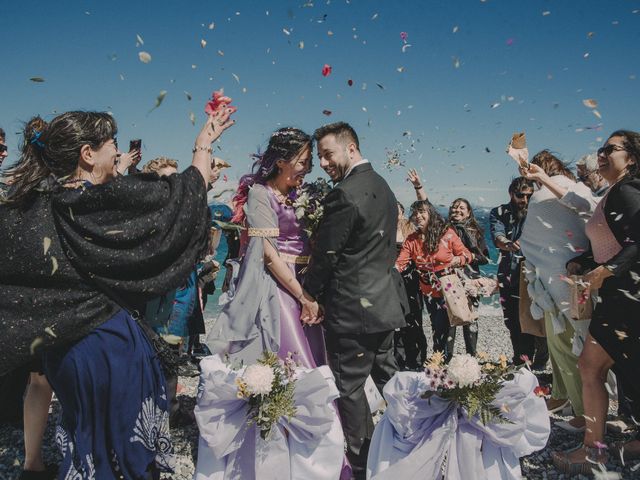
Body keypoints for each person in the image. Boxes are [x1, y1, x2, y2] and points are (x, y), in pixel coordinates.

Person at [0, 105, 234, 479]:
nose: (118, 152)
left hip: (65, 355)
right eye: (111, 142)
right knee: (124, 451)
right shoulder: (99, 202)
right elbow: (179, 200)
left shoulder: (31, 207)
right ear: (87, 154)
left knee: (88, 444)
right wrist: (203, 146)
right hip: (106, 348)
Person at [303, 122, 407, 479]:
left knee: (349, 391)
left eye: (328, 154)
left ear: (351, 148)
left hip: (351, 311)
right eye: (319, 157)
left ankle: (363, 467)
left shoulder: (344, 194)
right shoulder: (384, 187)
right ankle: (415, 444)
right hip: (385, 305)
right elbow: (390, 246)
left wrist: (308, 292)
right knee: (392, 382)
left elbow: (327, 255)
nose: (323, 163)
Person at [552, 130, 640, 473]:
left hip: (626, 297)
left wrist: (605, 271)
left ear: (630, 158)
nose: (601, 154)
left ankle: (593, 451)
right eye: (600, 149)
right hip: (622, 294)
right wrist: (584, 262)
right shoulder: (614, 192)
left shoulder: (628, 190)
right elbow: (616, 240)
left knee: (591, 366)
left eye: (610, 149)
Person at [204, 127, 326, 368]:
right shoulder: (261, 194)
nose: (309, 168)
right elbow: (268, 255)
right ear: (281, 162)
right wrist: (304, 298)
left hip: (308, 277)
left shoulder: (305, 194)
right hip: (277, 282)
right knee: (289, 349)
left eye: (310, 162)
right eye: (303, 162)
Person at [519, 150, 598, 433]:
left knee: (569, 346)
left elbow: (534, 239)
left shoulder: (560, 192)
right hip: (563, 277)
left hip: (564, 279)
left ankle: (581, 410)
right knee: (558, 344)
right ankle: (563, 396)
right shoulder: (570, 188)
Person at [396, 200, 473, 362]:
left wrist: (456, 261)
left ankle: (441, 362)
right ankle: (442, 361)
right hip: (428, 291)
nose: (418, 216)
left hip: (449, 289)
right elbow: (400, 263)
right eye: (415, 213)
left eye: (422, 212)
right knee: (437, 327)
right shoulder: (412, 239)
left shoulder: (447, 233)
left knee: (442, 327)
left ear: (430, 213)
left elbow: (468, 255)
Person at [490, 177, 549, 369]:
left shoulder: (539, 211)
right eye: (520, 195)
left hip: (536, 275)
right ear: (511, 193)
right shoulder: (498, 213)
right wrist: (507, 244)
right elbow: (497, 236)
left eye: (529, 196)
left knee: (538, 320)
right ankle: (521, 361)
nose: (524, 200)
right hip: (510, 275)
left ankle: (540, 361)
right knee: (514, 323)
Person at [447, 197, 490, 356]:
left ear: (468, 212)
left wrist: (466, 258)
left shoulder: (476, 231)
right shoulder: (444, 229)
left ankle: (471, 357)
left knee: (471, 319)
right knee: (449, 319)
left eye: (461, 208)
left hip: (471, 278)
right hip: (449, 278)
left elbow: (485, 258)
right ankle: (446, 358)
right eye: (454, 207)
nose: (456, 210)